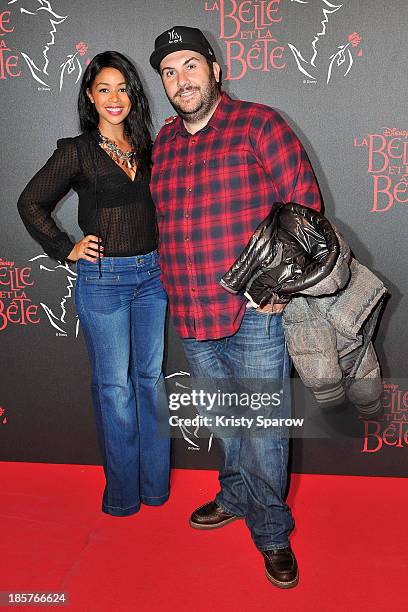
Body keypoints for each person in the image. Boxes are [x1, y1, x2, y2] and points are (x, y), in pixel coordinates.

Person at [149, 26, 321, 587]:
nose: (181, 80)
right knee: (225, 420)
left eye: (190, 66)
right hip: (193, 310)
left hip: (253, 312)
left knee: (265, 427)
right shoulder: (166, 141)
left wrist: (279, 287)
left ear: (215, 70)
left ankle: (272, 529)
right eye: (169, 72)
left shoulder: (259, 123)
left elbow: (304, 207)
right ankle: (236, 494)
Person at [18, 51, 170, 517]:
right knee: (115, 389)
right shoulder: (77, 151)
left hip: (152, 277)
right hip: (103, 281)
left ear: (134, 94)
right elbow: (31, 202)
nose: (114, 98)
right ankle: (123, 496)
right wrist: (67, 247)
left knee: (149, 381)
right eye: (104, 89)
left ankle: (156, 488)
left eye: (122, 88)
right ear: (90, 95)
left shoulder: (150, 147)